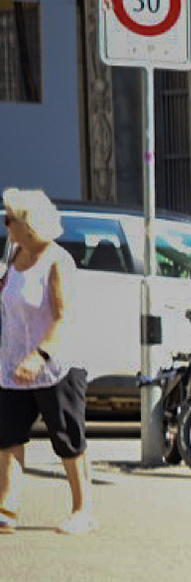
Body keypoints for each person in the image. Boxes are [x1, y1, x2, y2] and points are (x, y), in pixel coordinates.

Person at [0, 188, 92, 534]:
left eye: (9, 219)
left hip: (55, 366)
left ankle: (83, 510)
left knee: (67, 438)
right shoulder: (13, 255)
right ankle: (7, 509)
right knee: (7, 436)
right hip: (11, 364)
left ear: (29, 225)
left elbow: (62, 317)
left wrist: (39, 356)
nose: (5, 224)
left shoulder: (57, 261)